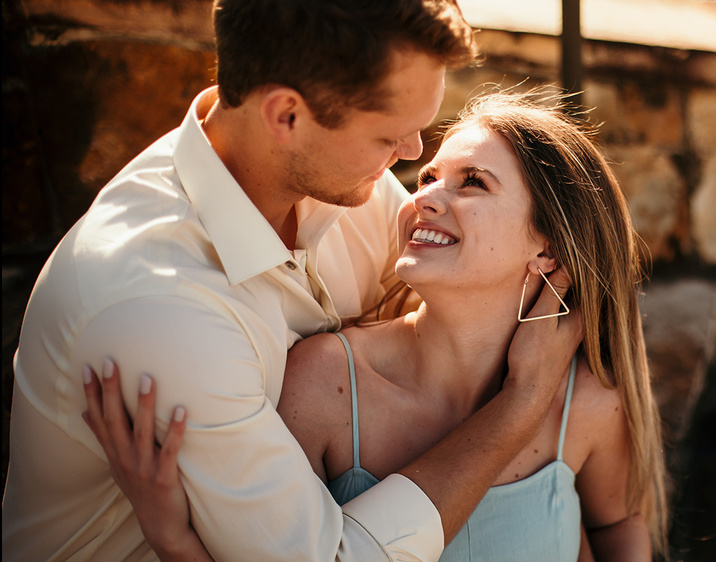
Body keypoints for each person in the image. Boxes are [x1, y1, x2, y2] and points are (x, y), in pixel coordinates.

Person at [2, 2, 583, 561]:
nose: (413, 153)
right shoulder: (159, 305)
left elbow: (467, 292)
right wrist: (520, 407)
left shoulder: (342, 182)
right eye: (389, 136)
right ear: (287, 115)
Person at [84, 91, 670, 561]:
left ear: (547, 249)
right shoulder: (325, 384)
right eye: (428, 179)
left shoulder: (587, 402)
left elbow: (619, 528)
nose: (425, 198)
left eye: (473, 183)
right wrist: (175, 543)